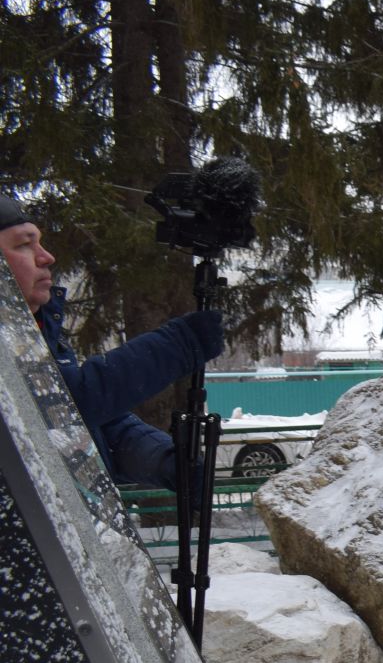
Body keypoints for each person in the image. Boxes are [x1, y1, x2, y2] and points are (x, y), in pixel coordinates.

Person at [0, 193, 224, 488]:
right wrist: (180, 344)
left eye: (39, 242)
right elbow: (65, 406)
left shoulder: (40, 333)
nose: (46, 257)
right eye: (24, 245)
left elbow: (99, 429)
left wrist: (167, 461)